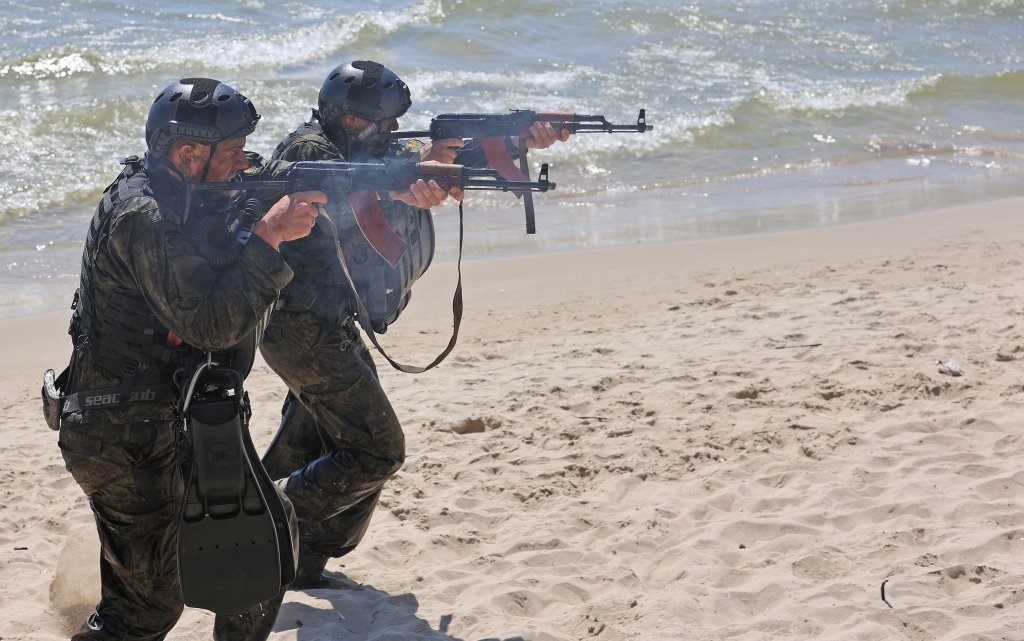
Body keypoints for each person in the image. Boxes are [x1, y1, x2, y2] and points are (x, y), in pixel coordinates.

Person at [257, 60, 570, 592]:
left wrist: (517, 143)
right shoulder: (307, 151)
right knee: (376, 450)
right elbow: (332, 188)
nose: (390, 134)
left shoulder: (369, 150)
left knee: (307, 445)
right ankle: (254, 527)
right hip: (296, 325)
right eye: (378, 125)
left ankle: (299, 561)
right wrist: (397, 188)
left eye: (392, 124)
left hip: (328, 321)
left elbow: (439, 162)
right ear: (346, 118)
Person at [52, 77, 326, 641]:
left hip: (175, 419)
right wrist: (270, 237)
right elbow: (211, 323)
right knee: (148, 610)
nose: (243, 164)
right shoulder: (144, 216)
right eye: (232, 154)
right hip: (119, 434)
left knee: (269, 541)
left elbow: (220, 254)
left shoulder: (181, 195)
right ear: (186, 154)